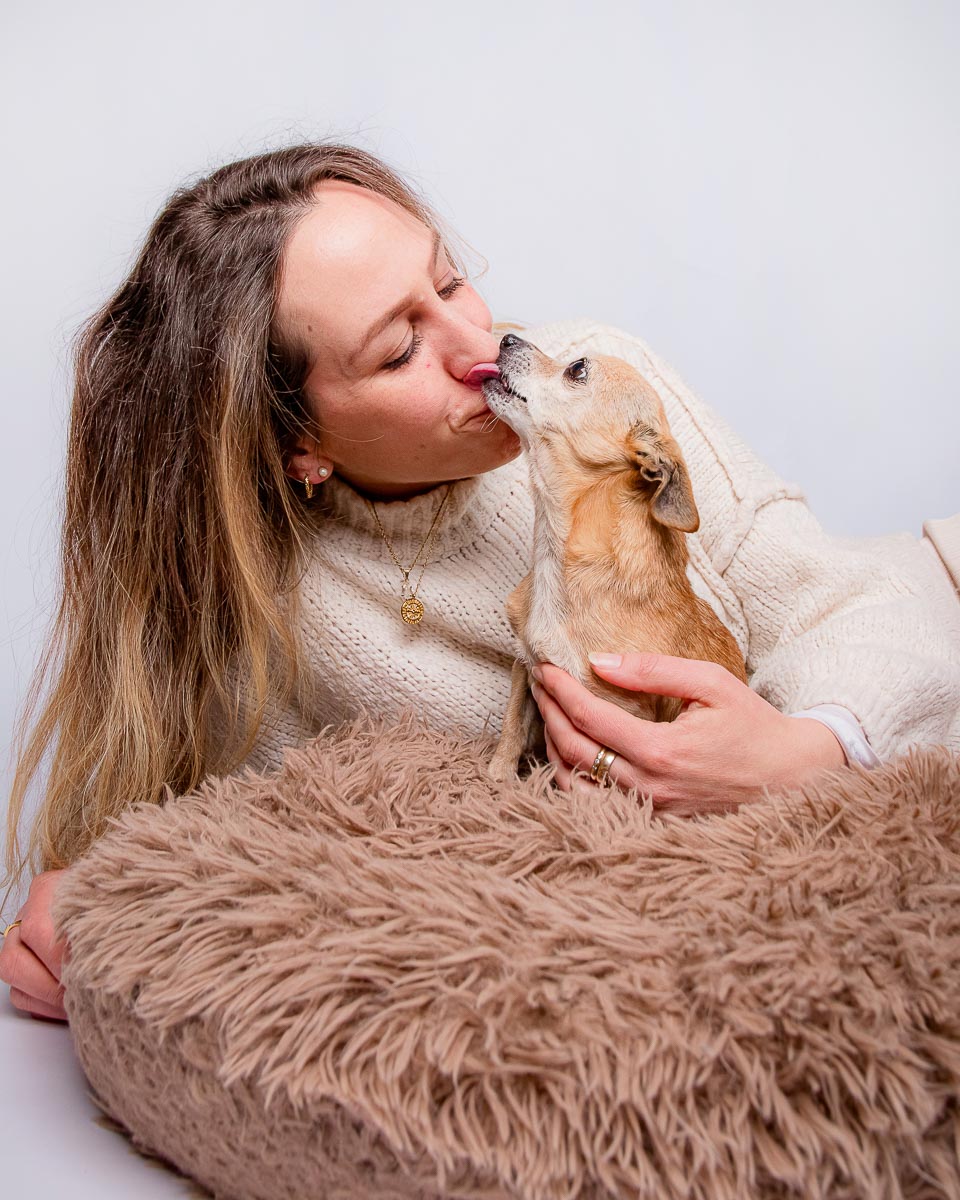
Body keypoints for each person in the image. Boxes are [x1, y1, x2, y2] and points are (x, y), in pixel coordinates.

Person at [3, 143, 959, 1024]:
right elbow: (229, 845)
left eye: (449, 277)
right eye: (399, 347)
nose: (479, 340)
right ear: (297, 444)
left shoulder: (586, 381)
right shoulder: (264, 610)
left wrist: (807, 750)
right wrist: (95, 888)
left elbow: (851, 597)